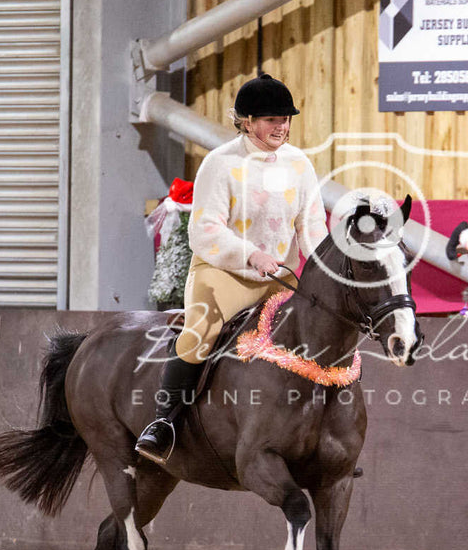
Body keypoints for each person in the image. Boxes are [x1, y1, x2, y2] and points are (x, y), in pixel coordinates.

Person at [136, 73, 329, 464]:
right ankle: (163, 424)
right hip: (223, 273)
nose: (283, 127)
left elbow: (311, 227)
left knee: (318, 330)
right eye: (273, 120)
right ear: (246, 120)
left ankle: (325, 434)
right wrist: (250, 255)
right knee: (200, 330)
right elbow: (204, 230)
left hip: (279, 279)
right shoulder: (220, 163)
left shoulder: (300, 164)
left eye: (286, 119)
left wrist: (327, 268)